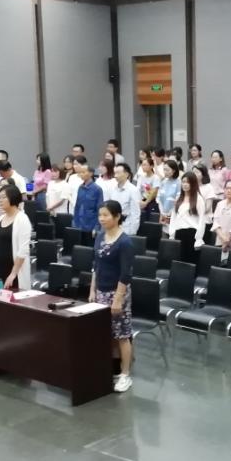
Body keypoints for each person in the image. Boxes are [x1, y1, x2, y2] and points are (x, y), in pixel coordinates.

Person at [88, 201, 136, 393]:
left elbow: (125, 274)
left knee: (122, 334)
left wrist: (117, 299)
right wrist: (92, 290)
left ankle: (125, 374)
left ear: (117, 217)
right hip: (101, 291)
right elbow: (96, 266)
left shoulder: (125, 242)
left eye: (106, 215)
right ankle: (109, 368)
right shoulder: (100, 236)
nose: (102, 219)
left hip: (118, 293)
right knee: (106, 333)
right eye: (100, 215)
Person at [0, 184, 32, 290]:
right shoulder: (1, 218)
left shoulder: (22, 219)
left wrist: (13, 274)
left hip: (13, 273)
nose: (0, 200)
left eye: (3, 197)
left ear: (13, 197)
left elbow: (23, 250)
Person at [169, 170, 207, 262]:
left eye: (188, 182)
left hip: (192, 234)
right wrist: (172, 234)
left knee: (190, 261)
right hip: (179, 233)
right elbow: (173, 217)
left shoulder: (198, 199)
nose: (185, 184)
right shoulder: (179, 197)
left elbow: (202, 220)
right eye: (183, 182)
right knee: (178, 261)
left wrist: (198, 238)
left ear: (193, 184)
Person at [72, 158, 104, 234]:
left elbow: (99, 209)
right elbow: (77, 207)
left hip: (90, 225)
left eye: (83, 172)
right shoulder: (80, 187)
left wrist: (97, 227)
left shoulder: (97, 189)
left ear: (91, 173)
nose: (81, 174)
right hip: (79, 224)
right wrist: (74, 222)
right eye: (80, 172)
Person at [112, 162, 142, 235]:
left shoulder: (133, 190)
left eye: (118, 173)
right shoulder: (113, 189)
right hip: (113, 226)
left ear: (126, 174)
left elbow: (135, 213)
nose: (115, 176)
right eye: (115, 173)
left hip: (126, 227)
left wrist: (133, 232)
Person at [135, 156, 161, 223]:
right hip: (142, 200)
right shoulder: (141, 177)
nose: (143, 167)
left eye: (145, 165)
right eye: (142, 165)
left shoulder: (155, 178)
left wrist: (146, 202)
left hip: (152, 201)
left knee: (151, 220)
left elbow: (154, 192)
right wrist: (140, 201)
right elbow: (138, 190)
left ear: (151, 166)